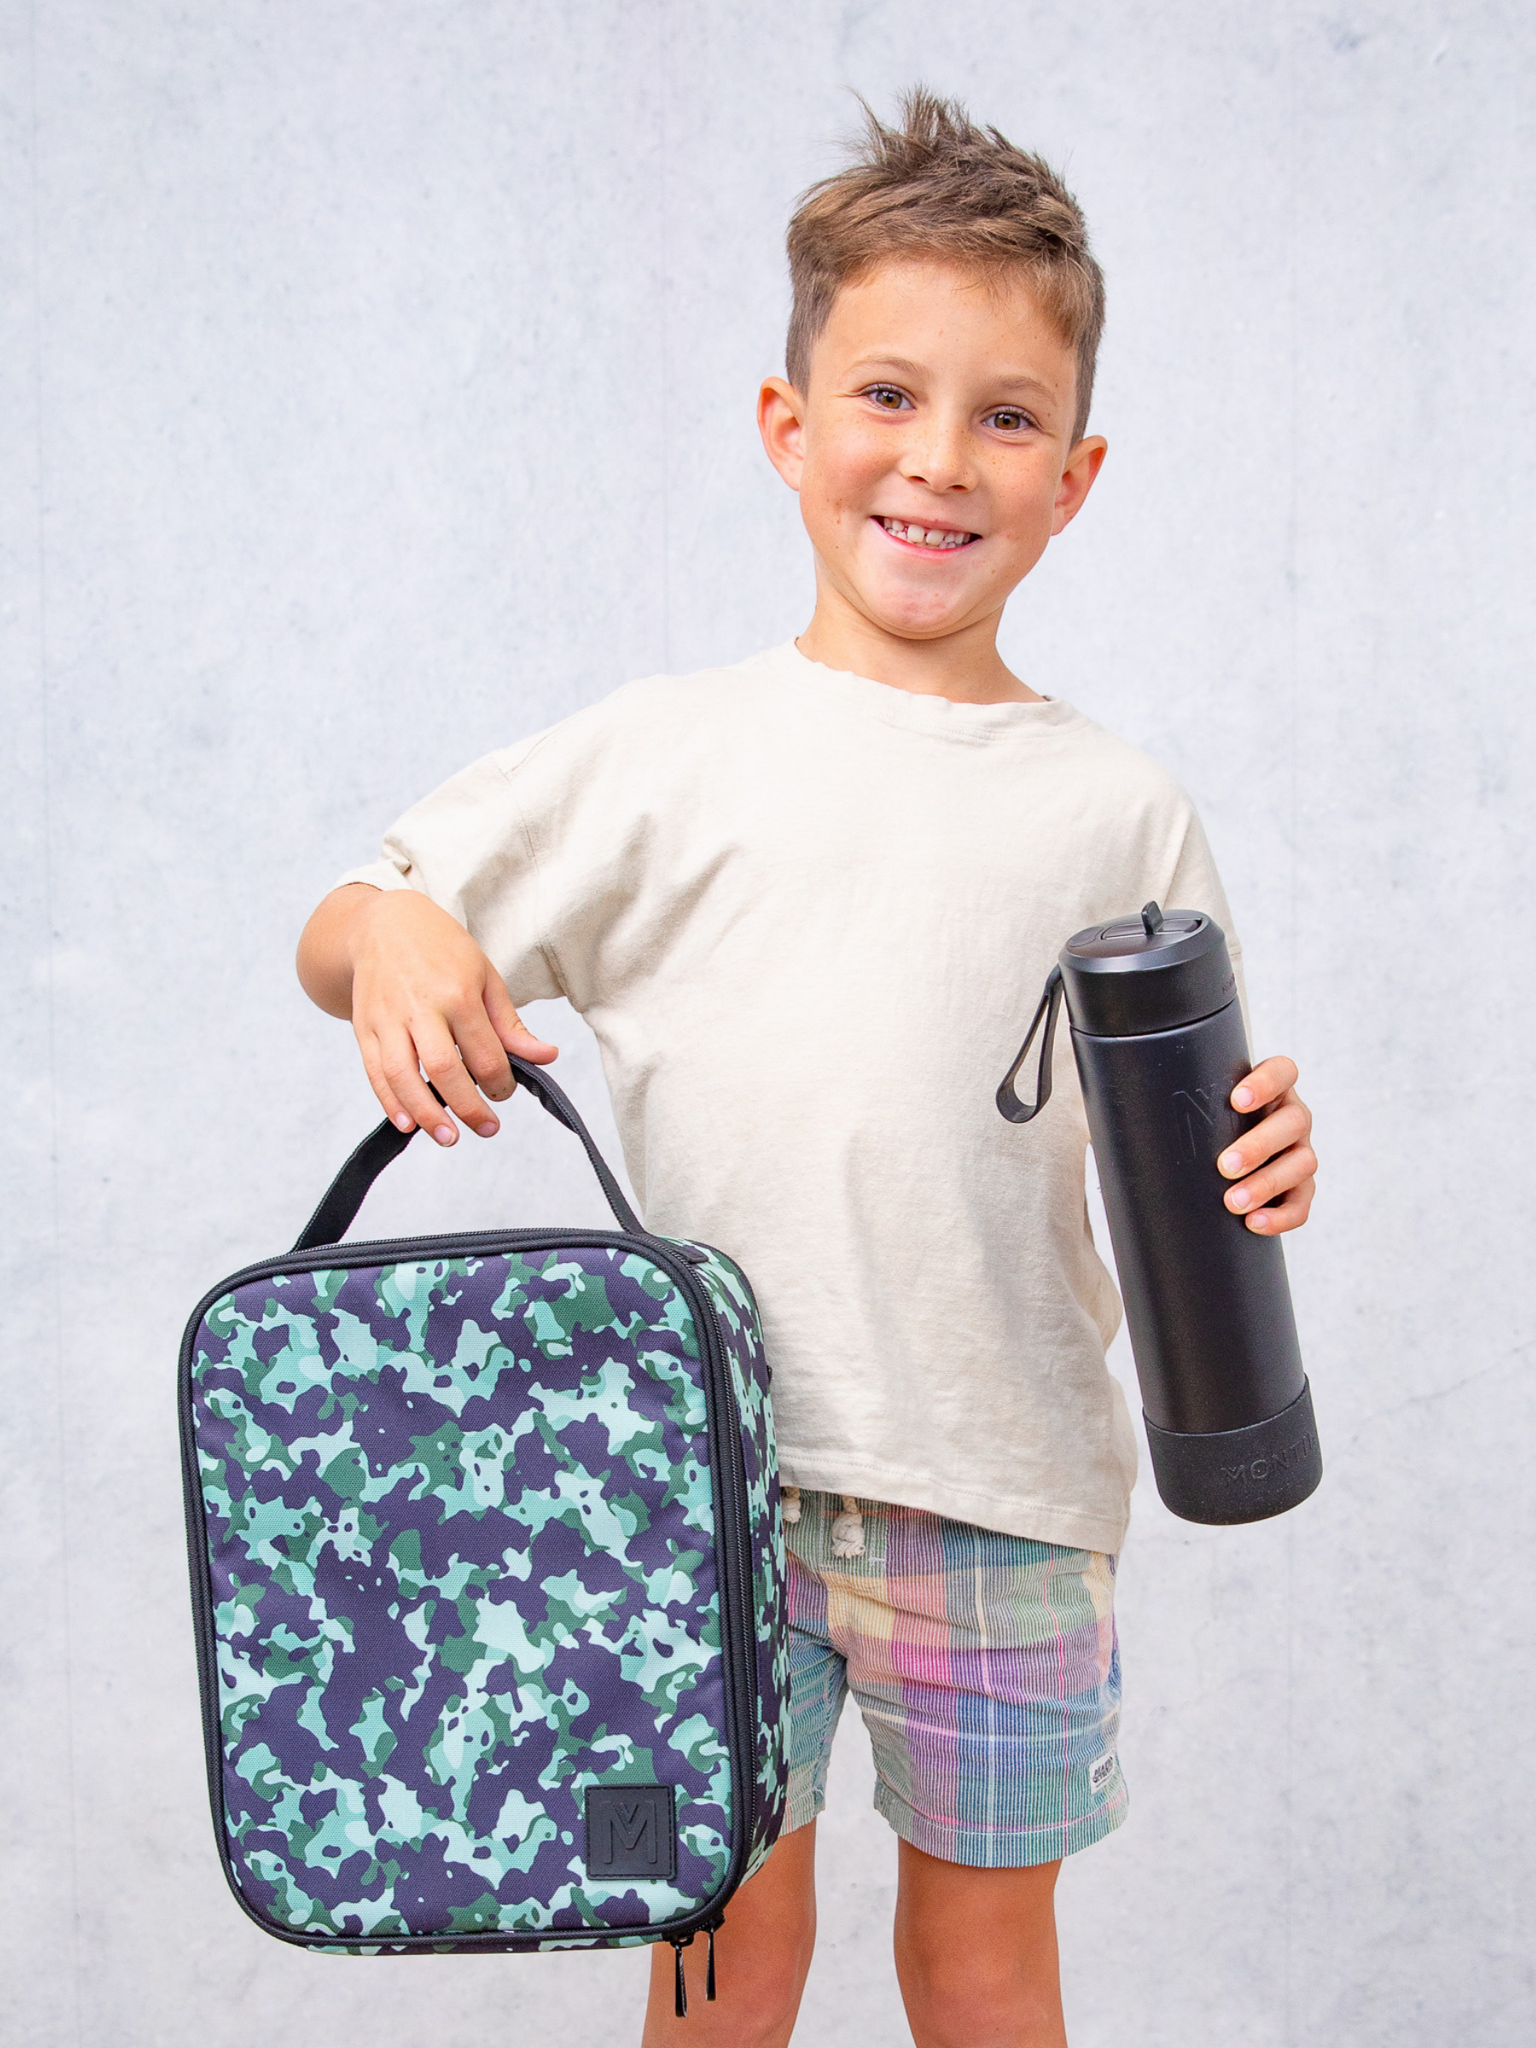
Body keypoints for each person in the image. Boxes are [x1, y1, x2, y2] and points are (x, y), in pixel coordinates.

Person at [297, 89, 1317, 2048]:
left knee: (982, 1974)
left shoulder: (1118, 812)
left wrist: (1265, 1160)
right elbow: (347, 923)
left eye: (1005, 417)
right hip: (699, 1485)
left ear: (1076, 476)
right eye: (888, 397)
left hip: (1001, 1485)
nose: (938, 460)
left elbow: (1199, 1159)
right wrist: (400, 930)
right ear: (789, 426)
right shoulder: (665, 757)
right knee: (722, 1965)